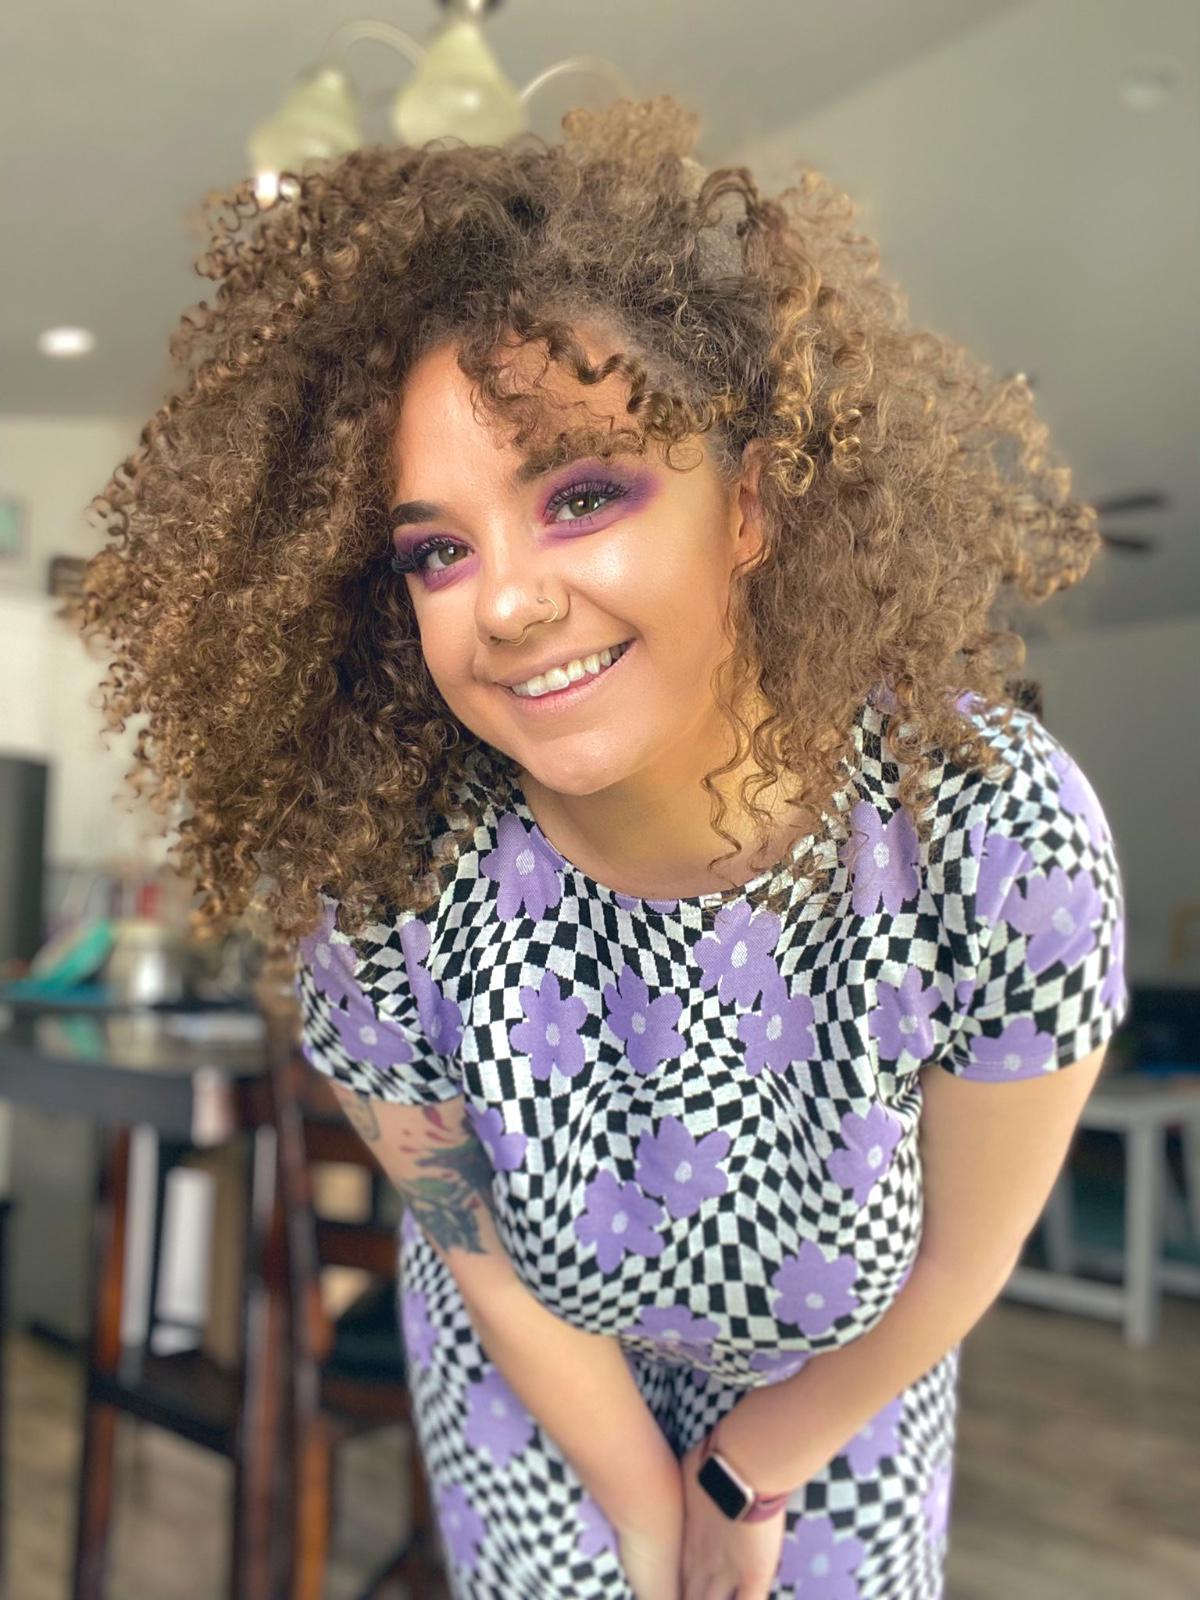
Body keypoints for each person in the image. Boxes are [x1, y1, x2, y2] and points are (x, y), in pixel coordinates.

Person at [72, 95, 1128, 1600]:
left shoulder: (985, 828)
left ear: (747, 506)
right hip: (532, 1394)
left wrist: (751, 1470)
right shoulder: (385, 888)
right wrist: (643, 1508)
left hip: (844, 1403)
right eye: (438, 550)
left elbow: (962, 1260)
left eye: (582, 494)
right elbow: (477, 1250)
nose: (505, 603)